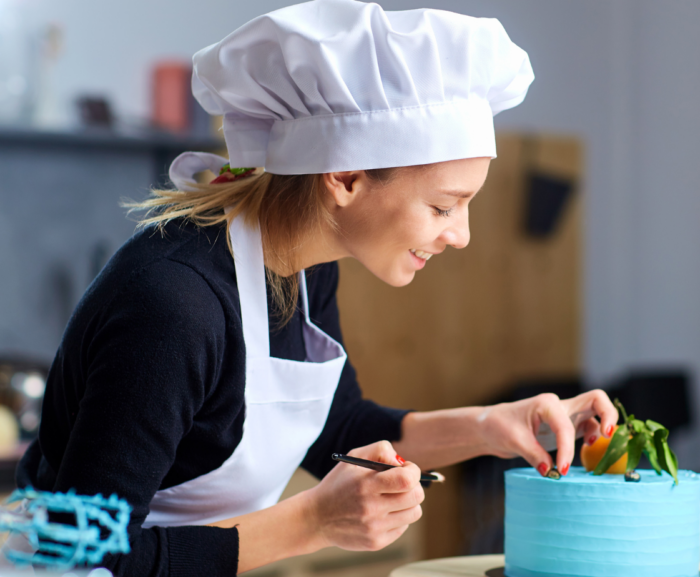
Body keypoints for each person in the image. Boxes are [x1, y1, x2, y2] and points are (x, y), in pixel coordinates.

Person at [16, 1, 618, 575]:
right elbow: (81, 553)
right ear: (346, 177)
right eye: (442, 206)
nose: (460, 235)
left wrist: (492, 427)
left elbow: (339, 429)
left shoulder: (304, 265)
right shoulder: (175, 305)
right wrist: (314, 521)